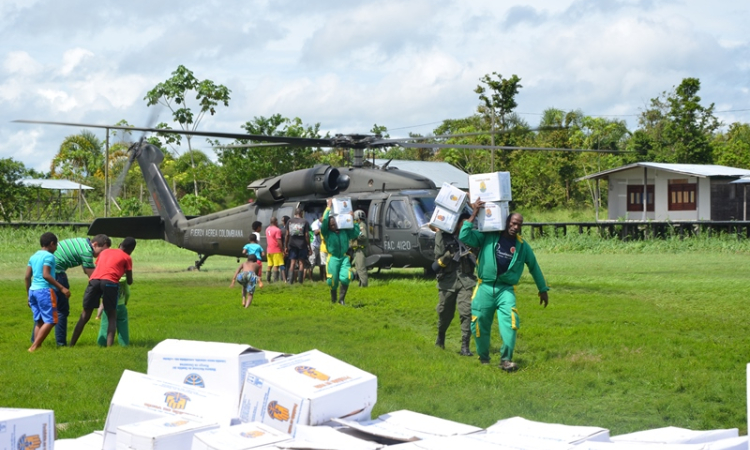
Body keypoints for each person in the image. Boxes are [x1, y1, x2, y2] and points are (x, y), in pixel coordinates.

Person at [459, 201, 550, 372]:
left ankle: (506, 360)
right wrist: (474, 213)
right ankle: (484, 358)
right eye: (513, 223)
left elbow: (534, 267)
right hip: (484, 287)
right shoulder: (488, 236)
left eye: (519, 224)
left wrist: (543, 289)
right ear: (506, 222)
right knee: (479, 324)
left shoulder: (522, 247)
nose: (516, 227)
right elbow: (464, 236)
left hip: (505, 290)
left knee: (511, 323)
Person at [31, 234, 110, 346]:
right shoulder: (87, 251)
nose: (101, 255)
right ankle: (61, 343)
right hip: (57, 274)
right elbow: (93, 277)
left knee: (45, 310)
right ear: (95, 244)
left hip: (46, 273)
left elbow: (86, 268)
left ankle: (35, 341)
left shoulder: (82, 242)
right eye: (102, 251)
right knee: (61, 311)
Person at [70, 237, 136, 347]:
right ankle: (109, 347)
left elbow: (100, 267)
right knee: (112, 316)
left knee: (85, 314)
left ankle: (71, 344)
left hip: (94, 281)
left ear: (120, 244)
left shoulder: (105, 252)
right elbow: (129, 281)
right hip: (110, 283)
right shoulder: (127, 257)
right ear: (131, 250)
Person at [433, 213, 476, 356]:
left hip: (466, 280)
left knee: (466, 312)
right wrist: (447, 254)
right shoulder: (444, 237)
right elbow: (437, 257)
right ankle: (441, 336)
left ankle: (465, 346)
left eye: (467, 223)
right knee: (445, 312)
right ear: (456, 223)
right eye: (462, 223)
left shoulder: (470, 238)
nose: (465, 226)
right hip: (448, 281)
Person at [25, 232, 71, 352]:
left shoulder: (33, 256)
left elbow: (26, 276)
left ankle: (37, 346)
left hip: (33, 291)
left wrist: (28, 295)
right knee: (52, 320)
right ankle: (34, 347)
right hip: (45, 291)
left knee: (40, 320)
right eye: (56, 246)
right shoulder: (49, 256)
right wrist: (62, 288)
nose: (56, 249)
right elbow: (46, 275)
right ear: (51, 244)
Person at [321, 199, 360, 305]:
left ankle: (341, 300)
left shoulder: (344, 231)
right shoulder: (327, 233)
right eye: (331, 225)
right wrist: (328, 207)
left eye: (335, 224)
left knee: (346, 277)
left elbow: (355, 233)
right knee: (332, 281)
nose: (334, 226)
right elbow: (324, 222)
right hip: (333, 258)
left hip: (343, 258)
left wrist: (353, 219)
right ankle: (333, 299)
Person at [96, 274, 130, 347]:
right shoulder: (124, 281)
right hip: (121, 306)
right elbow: (127, 293)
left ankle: (102, 343)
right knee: (123, 326)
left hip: (109, 306)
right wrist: (125, 301)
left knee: (105, 324)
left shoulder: (108, 279)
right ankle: (124, 344)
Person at [285, 208, 312, 285]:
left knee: (292, 263)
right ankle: (300, 282)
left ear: (295, 213)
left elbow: (287, 234)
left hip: (292, 245)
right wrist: (309, 246)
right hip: (302, 245)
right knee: (301, 263)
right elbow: (307, 235)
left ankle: (290, 281)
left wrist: (286, 246)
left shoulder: (289, 221)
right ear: (301, 213)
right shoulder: (305, 222)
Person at [351, 210, 369, 287]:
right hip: (358, 249)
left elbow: (363, 236)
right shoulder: (359, 225)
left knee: (361, 268)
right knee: (358, 268)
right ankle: (361, 284)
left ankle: (364, 285)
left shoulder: (361, 225)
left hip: (360, 250)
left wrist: (355, 236)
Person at [265, 217, 285, 283]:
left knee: (269, 265)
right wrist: (282, 250)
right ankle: (275, 280)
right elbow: (279, 241)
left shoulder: (267, 229)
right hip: (276, 250)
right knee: (276, 265)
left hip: (269, 250)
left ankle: (268, 280)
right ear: (275, 221)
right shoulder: (277, 230)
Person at [310, 216, 326, 281]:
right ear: (321, 218)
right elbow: (316, 233)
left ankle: (322, 278)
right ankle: (311, 278)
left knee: (322, 263)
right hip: (314, 245)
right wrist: (322, 229)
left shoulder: (323, 223)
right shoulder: (315, 223)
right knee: (312, 262)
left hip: (321, 245)